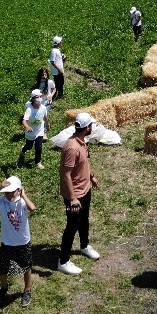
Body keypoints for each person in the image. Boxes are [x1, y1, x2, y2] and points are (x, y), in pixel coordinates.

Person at [58, 112, 101, 275]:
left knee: (84, 220)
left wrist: (91, 177)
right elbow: (66, 174)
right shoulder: (72, 147)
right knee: (72, 226)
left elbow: (83, 164)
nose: (92, 127)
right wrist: (73, 198)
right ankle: (63, 261)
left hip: (85, 189)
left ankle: (84, 246)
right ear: (86, 127)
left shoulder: (82, 141)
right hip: (75, 195)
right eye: (91, 125)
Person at [0, 176, 36, 308]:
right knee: (2, 269)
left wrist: (24, 195)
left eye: (11, 191)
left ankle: (27, 289)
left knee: (26, 267)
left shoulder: (23, 203)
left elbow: (32, 208)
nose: (8, 194)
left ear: (19, 190)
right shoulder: (2, 202)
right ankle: (4, 288)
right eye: (6, 192)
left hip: (23, 242)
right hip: (7, 242)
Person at [19, 89, 50, 169]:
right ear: (33, 99)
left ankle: (37, 162)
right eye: (37, 97)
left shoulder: (43, 108)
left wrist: (47, 125)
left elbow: (45, 117)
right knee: (29, 146)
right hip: (31, 132)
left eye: (40, 96)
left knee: (38, 147)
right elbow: (24, 120)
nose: (39, 98)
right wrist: (27, 127)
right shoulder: (29, 109)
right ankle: (23, 150)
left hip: (40, 131)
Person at [49, 36, 66, 100]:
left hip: (59, 70)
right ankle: (54, 96)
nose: (62, 43)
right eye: (61, 42)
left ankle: (60, 95)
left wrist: (62, 57)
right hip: (57, 71)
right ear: (58, 43)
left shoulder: (57, 50)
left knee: (61, 82)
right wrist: (58, 69)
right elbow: (52, 61)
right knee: (58, 83)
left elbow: (57, 59)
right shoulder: (54, 51)